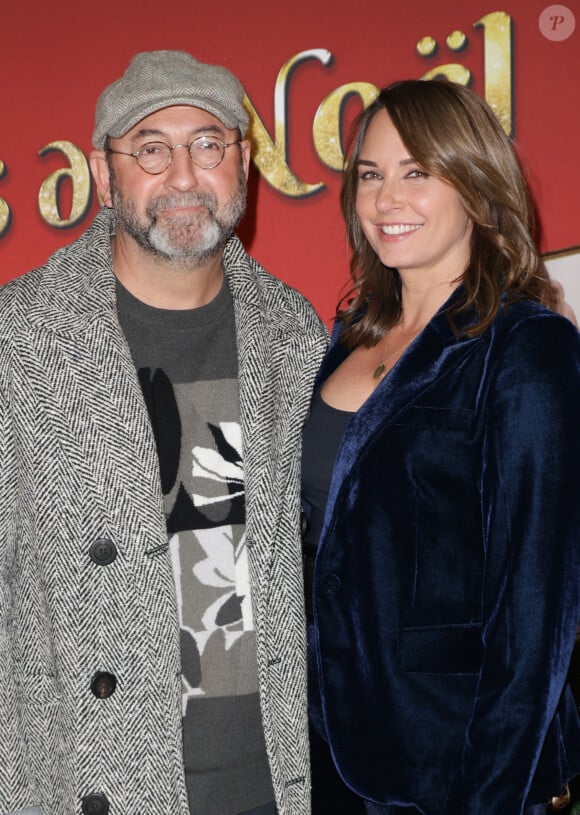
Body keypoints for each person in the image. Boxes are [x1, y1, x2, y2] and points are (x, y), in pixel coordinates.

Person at [0, 50, 328, 815]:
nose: (184, 174)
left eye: (209, 143)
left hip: (270, 779)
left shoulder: (295, 332)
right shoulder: (21, 335)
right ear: (105, 174)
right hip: (88, 779)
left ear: (243, 163)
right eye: (151, 147)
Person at [301, 78, 580, 815]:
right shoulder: (346, 341)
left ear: (475, 184)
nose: (387, 198)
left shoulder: (526, 347)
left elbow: (535, 611)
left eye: (417, 172)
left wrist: (488, 798)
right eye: (371, 173)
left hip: (454, 771)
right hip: (328, 760)